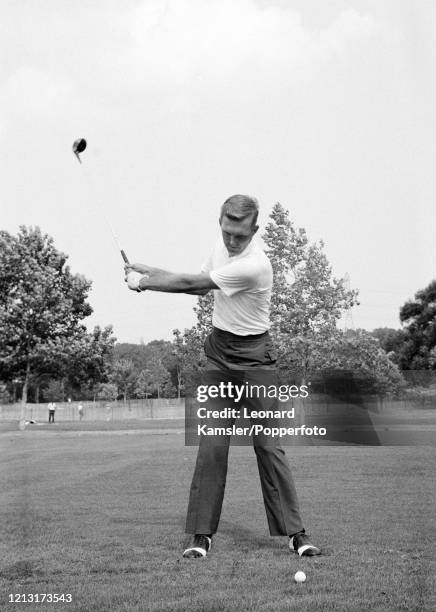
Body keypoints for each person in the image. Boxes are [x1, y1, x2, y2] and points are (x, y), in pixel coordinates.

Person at [125, 194, 321, 559]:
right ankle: (201, 535)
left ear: (255, 230)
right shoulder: (221, 247)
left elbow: (187, 284)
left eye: (240, 236)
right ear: (221, 223)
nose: (233, 241)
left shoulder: (255, 265)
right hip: (219, 356)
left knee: (268, 445)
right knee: (212, 445)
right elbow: (198, 283)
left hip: (255, 360)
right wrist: (148, 271)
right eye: (228, 232)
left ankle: (296, 533)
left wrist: (144, 282)